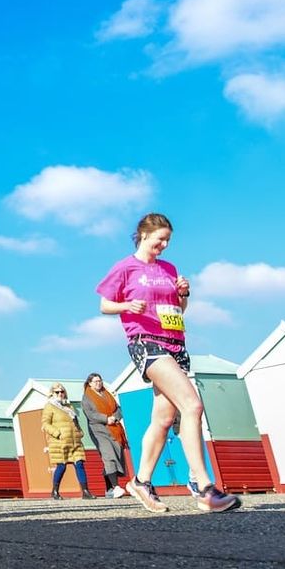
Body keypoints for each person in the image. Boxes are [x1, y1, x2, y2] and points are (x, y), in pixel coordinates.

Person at [97, 212, 241, 513]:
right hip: (145, 342)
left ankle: (141, 481)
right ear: (144, 235)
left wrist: (183, 294)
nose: (164, 245)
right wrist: (127, 305)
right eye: (160, 239)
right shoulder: (125, 267)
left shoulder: (168, 268)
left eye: (168, 241)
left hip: (174, 342)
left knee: (163, 420)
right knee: (193, 405)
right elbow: (104, 304)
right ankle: (204, 487)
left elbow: (178, 308)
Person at [42, 383, 95, 500]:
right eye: (57, 392)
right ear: (52, 393)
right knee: (61, 466)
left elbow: (75, 422)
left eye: (62, 391)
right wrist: (58, 434)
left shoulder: (69, 407)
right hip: (60, 442)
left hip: (75, 441)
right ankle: (55, 491)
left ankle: (85, 491)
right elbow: (45, 424)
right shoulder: (49, 406)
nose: (60, 394)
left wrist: (80, 432)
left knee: (79, 464)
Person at [81, 373, 128, 498]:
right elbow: (90, 415)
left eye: (100, 381)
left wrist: (114, 418)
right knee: (109, 455)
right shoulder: (86, 398)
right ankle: (116, 487)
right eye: (95, 381)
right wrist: (106, 419)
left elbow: (118, 409)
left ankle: (108, 489)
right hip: (99, 431)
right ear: (89, 383)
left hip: (114, 429)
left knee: (116, 455)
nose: (98, 383)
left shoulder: (107, 394)